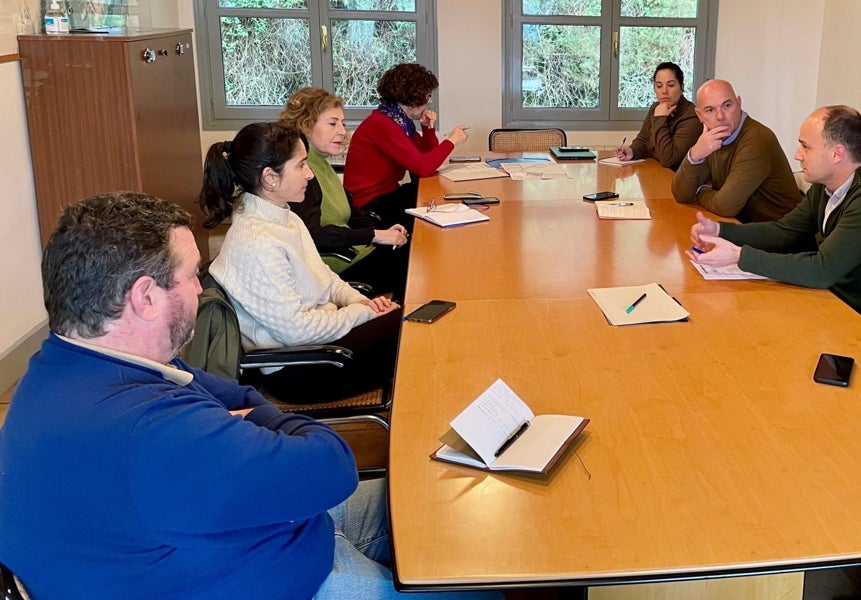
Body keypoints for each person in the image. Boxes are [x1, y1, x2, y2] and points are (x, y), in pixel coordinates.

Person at [0, 192, 495, 600]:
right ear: (145, 297)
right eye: (193, 274)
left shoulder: (71, 367)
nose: (200, 290)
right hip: (292, 576)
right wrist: (255, 426)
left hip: (261, 528)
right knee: (476, 589)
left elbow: (239, 394)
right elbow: (331, 465)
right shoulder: (148, 430)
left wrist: (246, 423)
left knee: (436, 507)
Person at [200, 122, 401, 403]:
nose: (309, 174)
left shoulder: (286, 216)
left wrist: (361, 302)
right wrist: (361, 314)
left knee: (413, 325)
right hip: (300, 368)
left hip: (323, 340)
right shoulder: (256, 241)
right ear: (270, 177)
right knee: (413, 333)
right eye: (301, 165)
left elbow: (326, 277)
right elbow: (296, 330)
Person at [687, 105, 861, 333]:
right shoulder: (829, 183)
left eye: (806, 147)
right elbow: (784, 231)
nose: (797, 155)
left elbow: (821, 270)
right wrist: (720, 230)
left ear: (837, 154)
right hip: (842, 296)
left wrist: (740, 256)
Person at [278, 87, 409, 297]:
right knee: (413, 263)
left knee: (413, 250)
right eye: (332, 123)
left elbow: (352, 213)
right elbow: (312, 235)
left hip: (351, 251)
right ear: (305, 125)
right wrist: (375, 235)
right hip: (333, 268)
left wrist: (384, 230)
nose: (342, 131)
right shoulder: (304, 172)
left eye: (342, 123)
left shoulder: (320, 162)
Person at [344, 62, 468, 224]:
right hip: (370, 203)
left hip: (386, 193)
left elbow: (427, 158)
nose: (428, 102)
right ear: (414, 98)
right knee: (437, 212)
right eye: (428, 97)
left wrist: (427, 128)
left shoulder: (397, 120)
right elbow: (423, 167)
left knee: (441, 198)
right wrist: (452, 140)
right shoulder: (383, 124)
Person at [670, 78, 803, 222]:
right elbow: (680, 194)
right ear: (700, 115)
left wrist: (698, 191)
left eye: (727, 105)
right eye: (710, 110)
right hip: (742, 227)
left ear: (739, 103)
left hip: (778, 236)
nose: (720, 116)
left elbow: (725, 206)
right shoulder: (711, 138)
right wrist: (695, 153)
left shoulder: (757, 139)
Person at [614, 61, 702, 170]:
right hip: (653, 172)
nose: (664, 91)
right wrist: (632, 151)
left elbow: (669, 160)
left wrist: (660, 119)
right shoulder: (656, 107)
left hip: (675, 179)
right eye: (659, 86)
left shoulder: (691, 117)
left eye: (671, 85)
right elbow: (644, 139)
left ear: (681, 87)